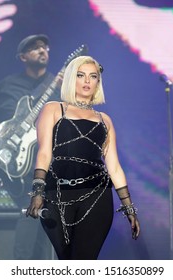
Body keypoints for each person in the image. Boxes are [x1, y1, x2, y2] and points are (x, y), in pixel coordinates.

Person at [26, 55, 141, 260]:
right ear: (72, 79)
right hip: (57, 195)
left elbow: (114, 167)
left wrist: (130, 208)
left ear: (98, 82)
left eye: (93, 76)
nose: (87, 81)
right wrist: (37, 190)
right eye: (81, 75)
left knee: (84, 261)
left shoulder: (105, 120)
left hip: (96, 196)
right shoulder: (53, 109)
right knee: (67, 261)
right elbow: (44, 152)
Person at [0, 34, 60, 259]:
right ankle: (21, 266)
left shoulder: (58, 85)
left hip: (45, 160)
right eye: (35, 48)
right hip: (12, 160)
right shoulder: (7, 85)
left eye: (45, 46)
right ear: (23, 57)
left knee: (45, 219)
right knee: (31, 206)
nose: (42, 50)